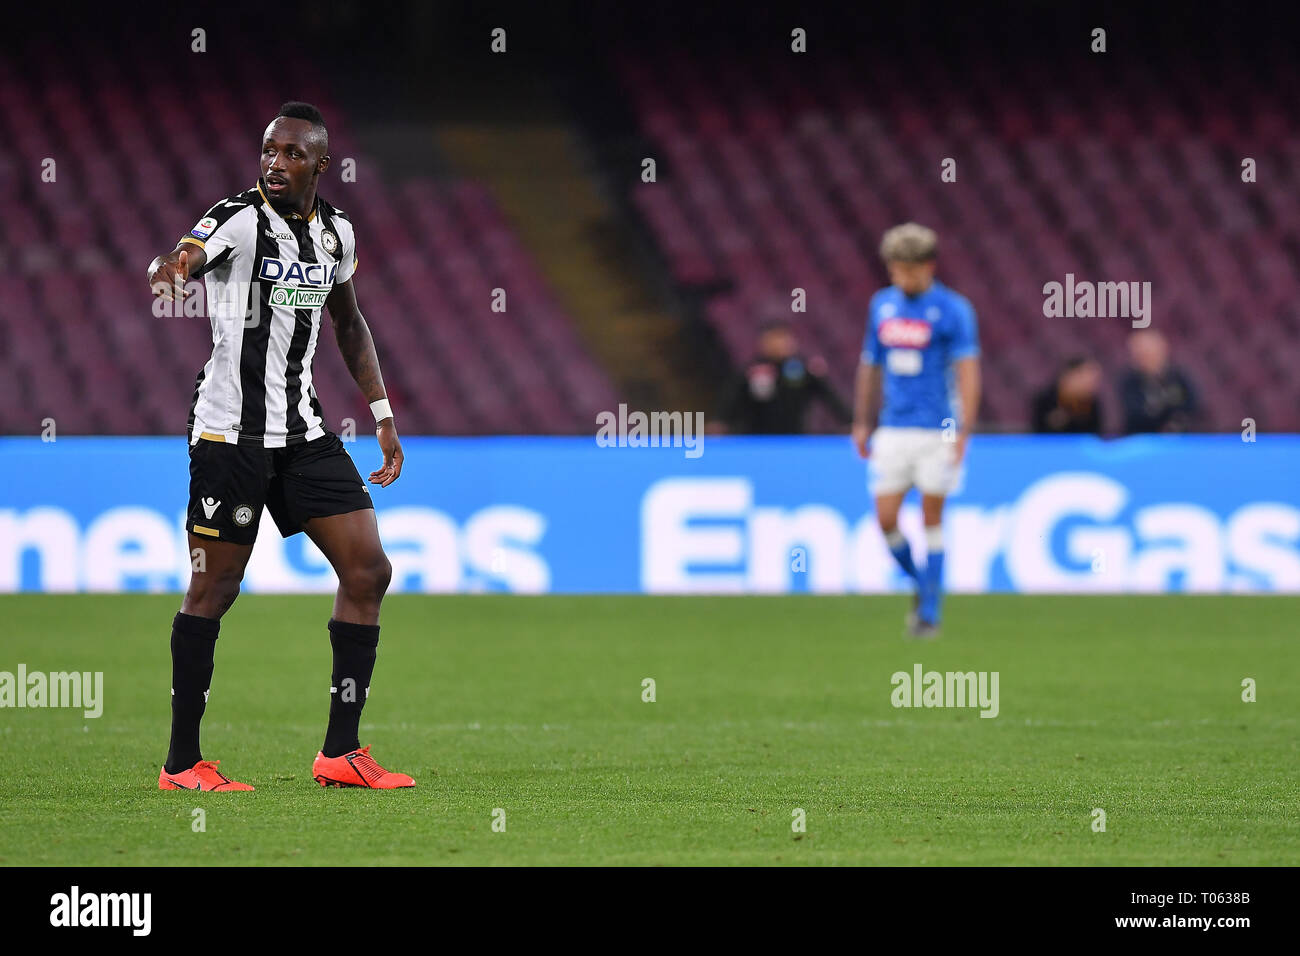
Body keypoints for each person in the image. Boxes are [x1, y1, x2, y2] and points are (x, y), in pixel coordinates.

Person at [146, 102, 413, 791]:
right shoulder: (239, 218)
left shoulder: (336, 237)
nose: (275, 163)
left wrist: (381, 413)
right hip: (230, 436)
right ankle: (181, 764)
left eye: (293, 154)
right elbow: (188, 252)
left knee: (368, 572)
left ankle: (341, 752)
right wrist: (172, 267)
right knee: (214, 589)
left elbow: (350, 324)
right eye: (269, 150)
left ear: (321, 165)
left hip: (303, 434)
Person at [852, 223, 980, 637]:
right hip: (893, 428)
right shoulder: (881, 306)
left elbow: (968, 371)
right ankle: (923, 585)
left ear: (928, 266)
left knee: (931, 518)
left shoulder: (953, 309)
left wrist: (963, 431)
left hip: (938, 429)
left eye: (907, 269)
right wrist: (861, 420)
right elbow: (870, 364)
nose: (900, 277)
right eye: (894, 269)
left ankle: (931, 613)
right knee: (885, 519)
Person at [718, 319, 851, 433]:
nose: (781, 343)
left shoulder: (804, 369)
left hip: (795, 438)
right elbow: (733, 400)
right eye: (775, 338)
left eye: (784, 338)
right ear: (764, 342)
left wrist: (849, 421)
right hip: (757, 440)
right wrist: (721, 421)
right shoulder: (751, 371)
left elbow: (830, 397)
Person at [1119, 330, 1200, 434]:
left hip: (1181, 439)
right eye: (1139, 354)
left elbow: (1192, 405)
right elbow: (1137, 414)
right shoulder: (1128, 383)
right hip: (1143, 440)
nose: (1143, 358)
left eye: (1147, 353)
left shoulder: (1179, 377)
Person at [1031, 356, 1103, 434]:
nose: (1092, 383)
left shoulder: (1092, 403)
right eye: (1087, 377)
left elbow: (1093, 434)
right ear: (1071, 375)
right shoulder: (1046, 400)